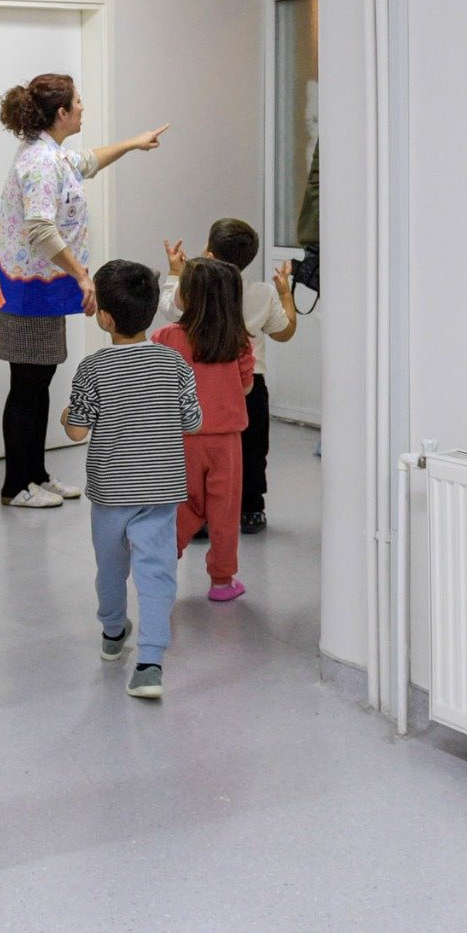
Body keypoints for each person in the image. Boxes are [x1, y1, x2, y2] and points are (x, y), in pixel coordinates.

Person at [0, 73, 169, 510]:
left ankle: (36, 474)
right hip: (26, 291)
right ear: (61, 112)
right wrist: (82, 276)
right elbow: (40, 229)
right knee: (27, 386)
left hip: (43, 289)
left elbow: (87, 161)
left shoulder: (53, 153)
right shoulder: (39, 162)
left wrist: (133, 143)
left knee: (41, 381)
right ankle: (15, 485)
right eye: (78, 101)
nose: (83, 106)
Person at [60, 259, 200, 702]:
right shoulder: (173, 362)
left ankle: (113, 632)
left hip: (111, 491)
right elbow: (192, 422)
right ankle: (149, 664)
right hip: (161, 489)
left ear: (104, 317)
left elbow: (77, 431)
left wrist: (67, 415)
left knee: (111, 567)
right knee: (157, 572)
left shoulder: (93, 367)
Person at [159, 218, 298, 533]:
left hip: (202, 382)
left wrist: (175, 272)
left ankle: (199, 515)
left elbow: (169, 308)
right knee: (252, 450)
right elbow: (284, 332)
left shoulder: (192, 290)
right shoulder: (263, 293)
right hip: (250, 385)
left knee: (198, 450)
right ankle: (251, 510)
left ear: (209, 254)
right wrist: (285, 294)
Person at [154, 257, 257, 601]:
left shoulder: (166, 337)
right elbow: (246, 387)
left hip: (180, 439)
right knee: (224, 511)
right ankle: (222, 581)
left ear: (186, 296)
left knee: (182, 506)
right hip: (225, 442)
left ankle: (161, 565)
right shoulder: (238, 340)